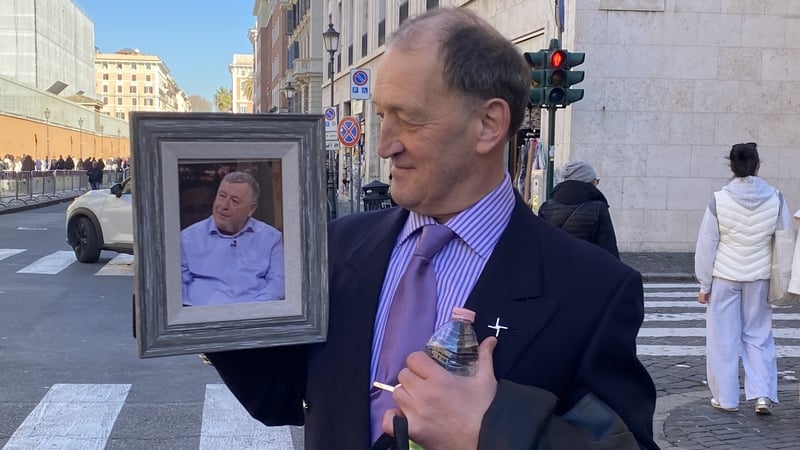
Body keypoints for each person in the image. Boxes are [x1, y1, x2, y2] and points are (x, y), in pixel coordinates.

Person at [207, 8, 656, 450]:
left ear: (488, 124)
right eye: (382, 115)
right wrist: (206, 315)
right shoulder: (336, 246)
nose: (385, 145)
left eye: (408, 118)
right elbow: (286, 396)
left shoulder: (593, 288)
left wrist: (491, 431)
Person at [694, 142, 792, 415]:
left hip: (725, 276)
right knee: (758, 336)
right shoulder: (776, 198)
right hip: (759, 277)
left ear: (731, 166)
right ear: (758, 165)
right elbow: (784, 239)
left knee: (722, 339)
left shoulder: (719, 200)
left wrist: (704, 284)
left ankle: (726, 398)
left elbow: (706, 245)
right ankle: (762, 395)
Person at [181, 171, 284, 306]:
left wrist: (255, 311)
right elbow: (178, 287)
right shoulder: (187, 238)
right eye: (222, 196)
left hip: (255, 314)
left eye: (234, 201)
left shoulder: (271, 238)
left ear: (251, 209)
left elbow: (277, 282)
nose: (224, 206)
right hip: (202, 316)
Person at [538, 161, 620, 258]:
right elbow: (609, 249)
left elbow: (540, 244)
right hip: (588, 265)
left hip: (554, 265)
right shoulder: (598, 208)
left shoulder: (546, 207)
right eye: (596, 181)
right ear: (590, 182)